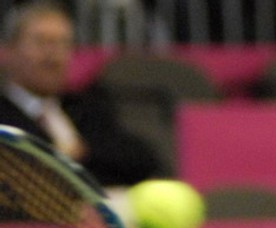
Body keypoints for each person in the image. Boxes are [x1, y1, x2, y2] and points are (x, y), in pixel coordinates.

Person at [0, 1, 162, 188]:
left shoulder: (86, 107)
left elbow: (142, 160)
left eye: (63, 43)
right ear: (10, 50)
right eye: (41, 41)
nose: (52, 54)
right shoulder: (4, 115)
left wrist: (84, 152)